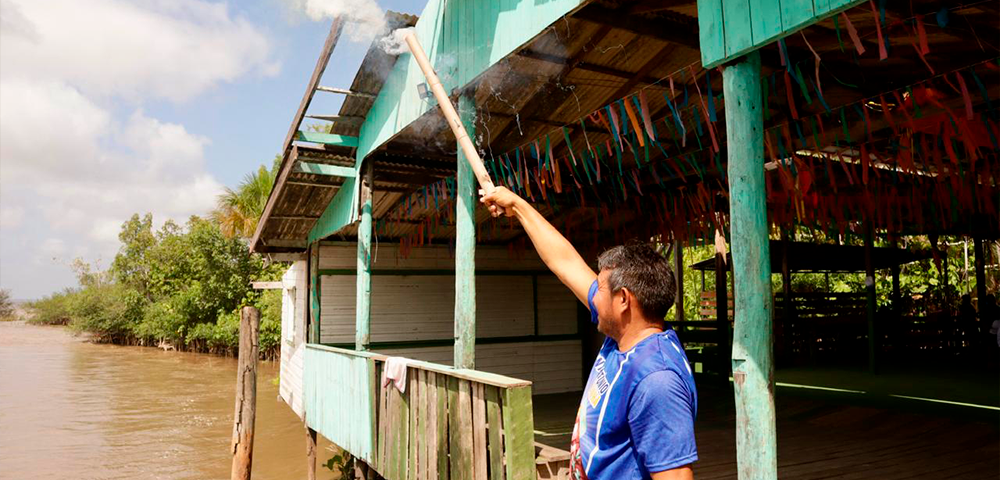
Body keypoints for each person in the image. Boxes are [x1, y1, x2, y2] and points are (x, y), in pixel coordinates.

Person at [482, 186, 698, 480]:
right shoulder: (624, 335)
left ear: (623, 300)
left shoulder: (656, 381)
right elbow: (565, 263)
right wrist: (518, 206)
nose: (593, 294)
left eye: (601, 287)